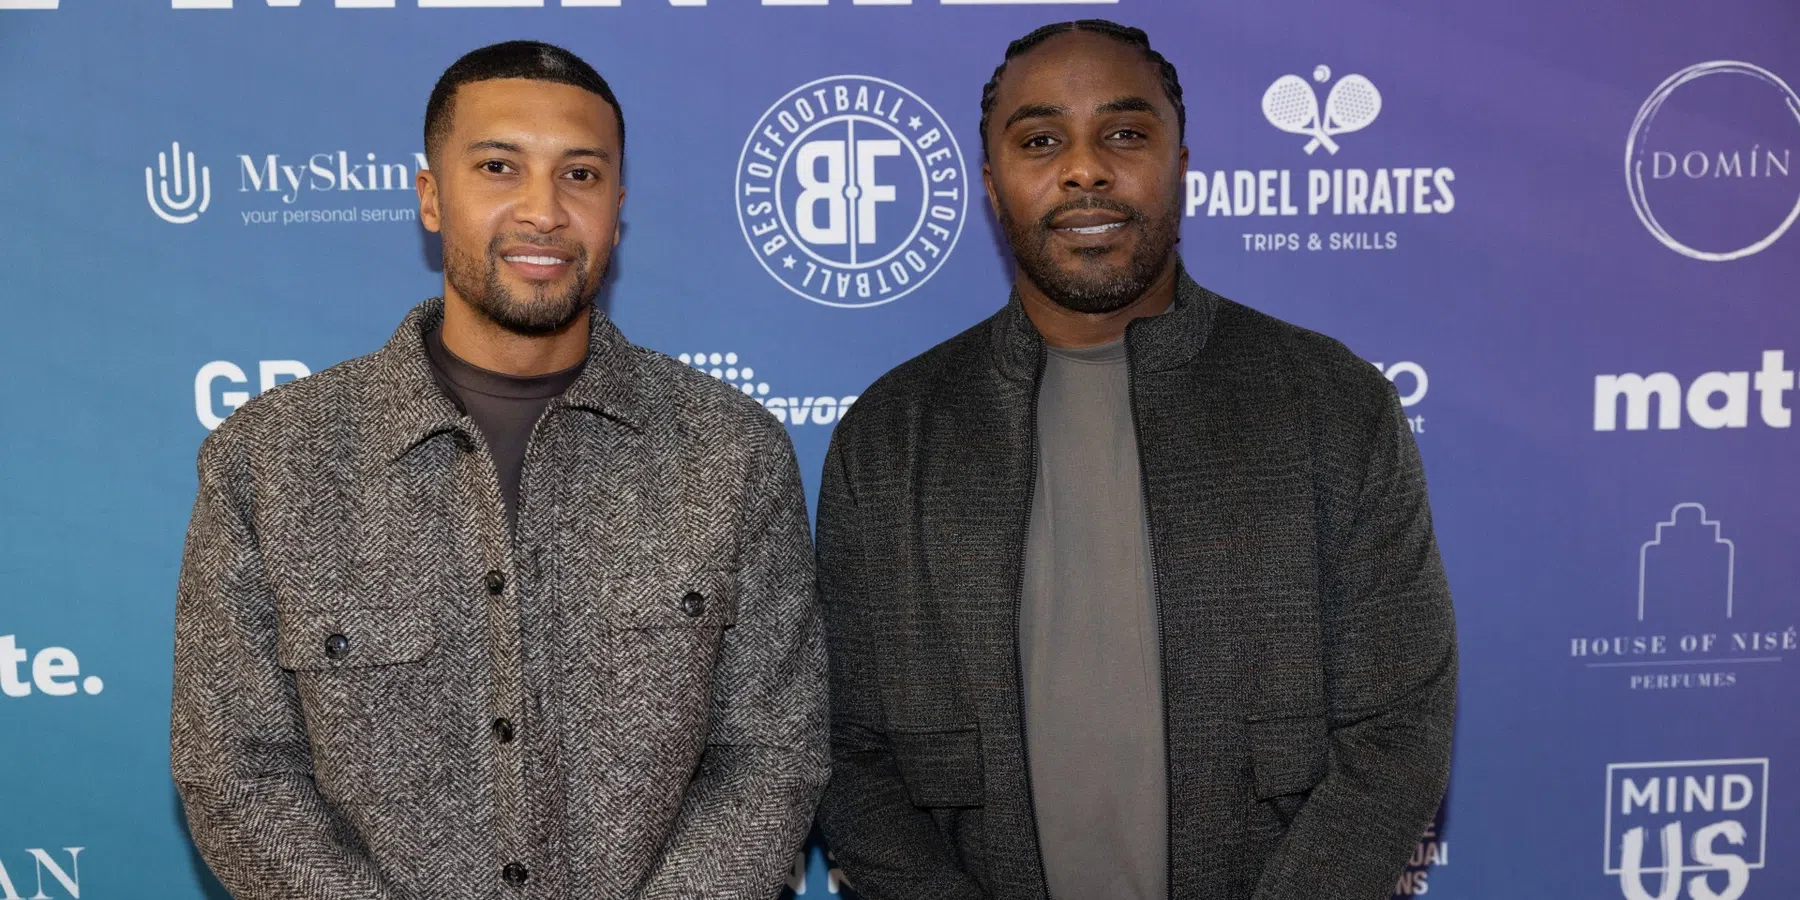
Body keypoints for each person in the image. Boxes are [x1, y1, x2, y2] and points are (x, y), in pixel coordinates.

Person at [815, 20, 1456, 900]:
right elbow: (847, 749)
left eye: (1123, 134)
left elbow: (1398, 729)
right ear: (992, 184)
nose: (1085, 169)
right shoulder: (892, 434)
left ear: (1180, 164)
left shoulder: (1333, 403)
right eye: (1041, 141)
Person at [170, 40, 826, 900]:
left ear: (617, 210)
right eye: (498, 167)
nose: (543, 211)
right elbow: (236, 770)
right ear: (431, 197)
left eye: (580, 175)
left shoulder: (730, 452)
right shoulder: (270, 461)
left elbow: (772, 755)